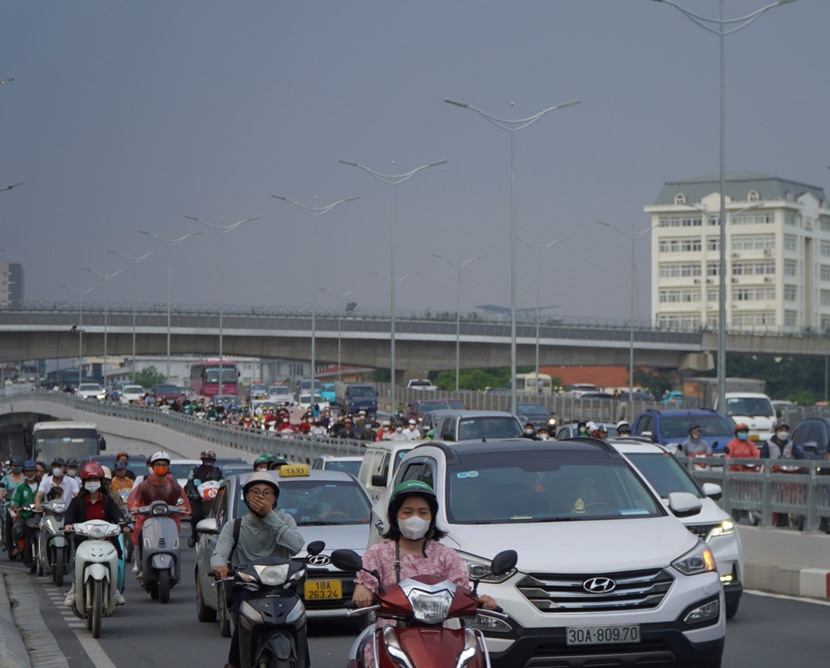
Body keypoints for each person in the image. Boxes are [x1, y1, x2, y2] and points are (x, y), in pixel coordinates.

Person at [352, 481, 497, 668]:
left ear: (431, 517)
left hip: (441, 640)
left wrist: (480, 601)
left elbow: (462, 592)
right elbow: (364, 586)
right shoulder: (378, 553)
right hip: (391, 636)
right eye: (407, 512)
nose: (415, 518)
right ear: (395, 516)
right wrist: (363, 593)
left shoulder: (447, 555)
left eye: (422, 512)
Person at [210, 472, 305, 668]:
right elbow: (219, 553)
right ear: (246, 497)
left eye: (267, 493)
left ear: (275, 497)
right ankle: (235, 664)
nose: (260, 497)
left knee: (299, 621)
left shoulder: (285, 520)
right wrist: (220, 566)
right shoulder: (234, 526)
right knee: (245, 621)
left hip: (282, 588)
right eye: (254, 492)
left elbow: (296, 545)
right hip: (248, 587)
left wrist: (270, 516)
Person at [63, 462, 127, 607]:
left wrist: (123, 525)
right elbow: (70, 516)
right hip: (83, 540)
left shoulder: (107, 500)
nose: (93, 484)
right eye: (89, 481)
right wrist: (68, 525)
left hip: (107, 539)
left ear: (101, 482)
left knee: (116, 559)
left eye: (96, 480)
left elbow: (118, 515)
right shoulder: (77, 501)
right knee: (78, 562)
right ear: (84, 483)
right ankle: (74, 589)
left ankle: (115, 590)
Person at [127, 451, 191, 568]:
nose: (161, 467)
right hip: (148, 519)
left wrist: (181, 507)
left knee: (174, 539)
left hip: (169, 519)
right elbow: (135, 500)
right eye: (158, 464)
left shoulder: (174, 486)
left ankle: (176, 561)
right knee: (141, 535)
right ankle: (141, 561)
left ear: (168, 467)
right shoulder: (144, 485)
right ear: (152, 467)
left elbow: (182, 501)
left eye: (164, 464)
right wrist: (135, 507)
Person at [184, 450, 223, 548]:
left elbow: (222, 482)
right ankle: (193, 535)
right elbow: (189, 483)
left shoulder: (217, 471)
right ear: (202, 460)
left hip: (214, 500)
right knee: (195, 517)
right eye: (207, 460)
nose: (209, 462)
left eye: (211, 460)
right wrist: (192, 493)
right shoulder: (195, 471)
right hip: (199, 499)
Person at [1, 457, 26, 559]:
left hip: (23, 505)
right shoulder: (6, 479)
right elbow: (1, 491)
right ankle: (10, 547)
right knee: (10, 519)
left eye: (18, 466)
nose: (16, 468)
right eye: (14, 466)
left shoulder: (25, 478)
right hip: (10, 505)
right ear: (11, 467)